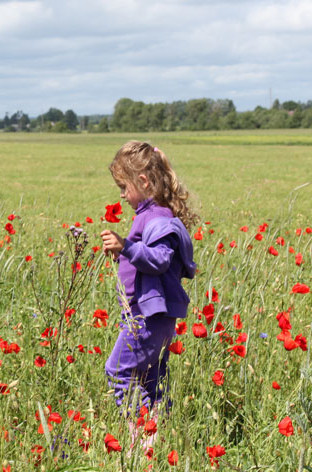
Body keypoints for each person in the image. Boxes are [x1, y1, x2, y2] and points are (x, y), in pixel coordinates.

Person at [99, 141, 197, 447]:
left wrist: (125, 246)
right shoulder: (151, 213)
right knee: (151, 379)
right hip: (149, 315)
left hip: (147, 316)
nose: (122, 196)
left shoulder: (157, 218)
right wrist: (126, 255)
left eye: (123, 187)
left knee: (118, 371)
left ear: (142, 181)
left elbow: (159, 260)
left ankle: (142, 438)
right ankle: (157, 442)